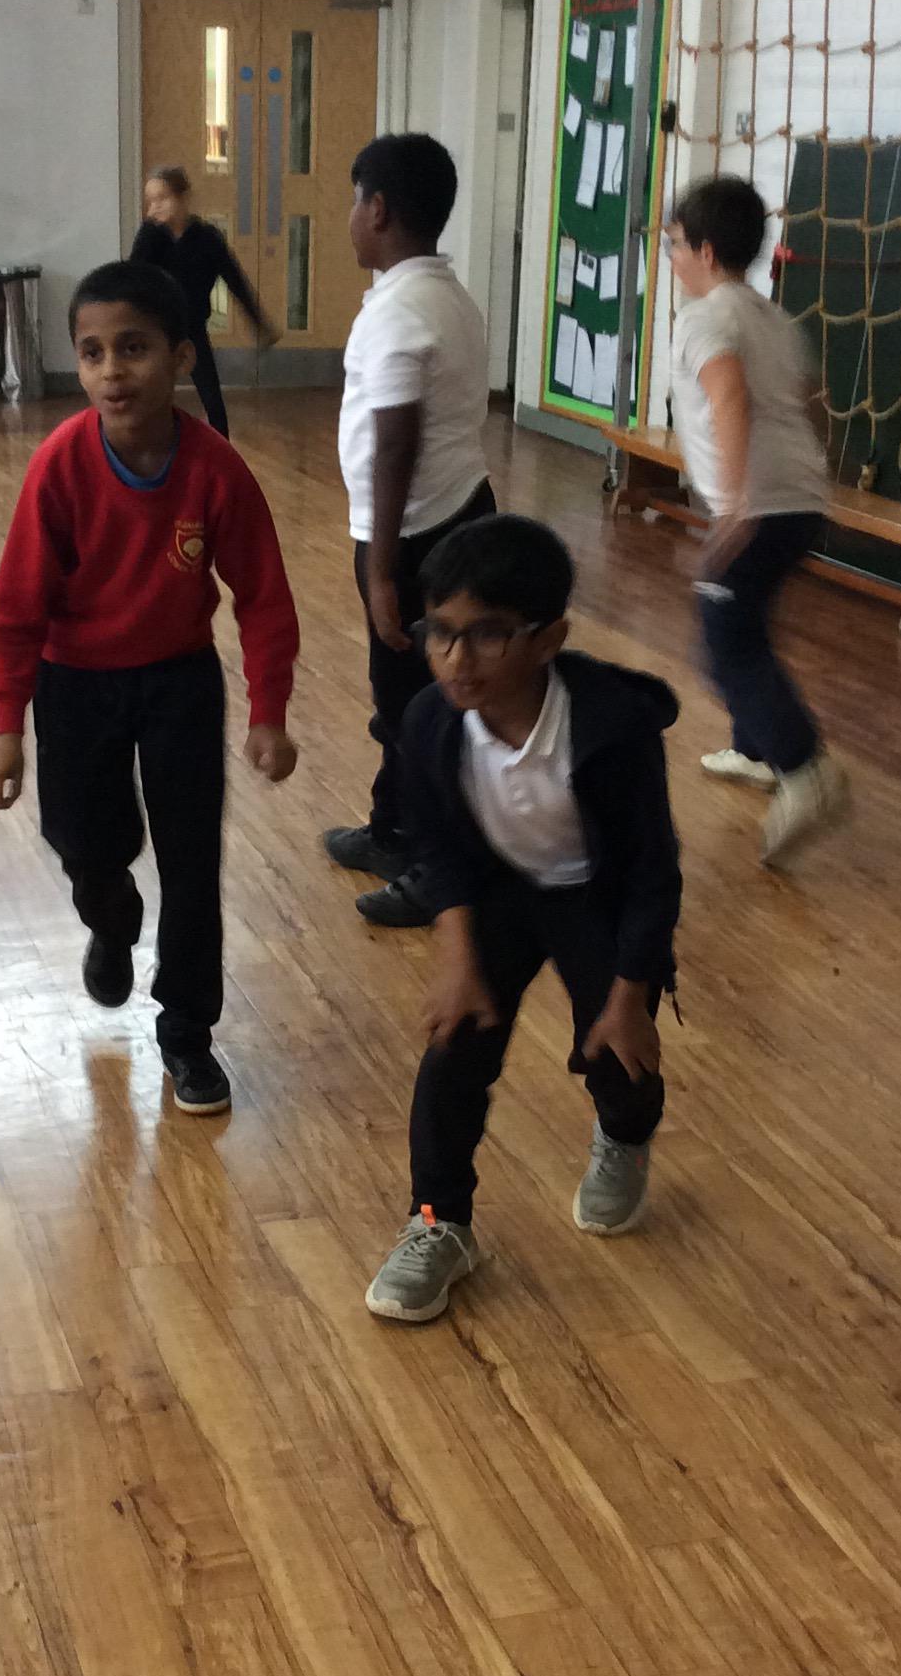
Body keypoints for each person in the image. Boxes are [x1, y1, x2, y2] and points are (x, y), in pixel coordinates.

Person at [0, 257, 299, 1117]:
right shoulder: (59, 466)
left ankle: (187, 1033)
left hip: (177, 685)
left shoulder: (215, 470)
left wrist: (269, 712)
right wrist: (7, 724)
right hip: (76, 685)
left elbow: (265, 597)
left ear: (181, 357)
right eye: (92, 353)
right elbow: (16, 605)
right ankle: (111, 918)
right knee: (87, 844)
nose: (112, 371)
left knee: (192, 866)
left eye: (134, 348)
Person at [362, 514, 681, 1324]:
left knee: (619, 1057)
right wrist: (457, 954)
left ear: (548, 640)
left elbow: (653, 870)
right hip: (498, 892)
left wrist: (630, 995)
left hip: (596, 899)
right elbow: (438, 845)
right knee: (453, 1058)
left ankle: (624, 1136)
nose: (455, 659)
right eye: (441, 632)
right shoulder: (431, 721)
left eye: (486, 635)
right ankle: (437, 1223)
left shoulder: (611, 727)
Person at [322, 132, 494, 931]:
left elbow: (396, 442)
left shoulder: (399, 312)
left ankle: (436, 872)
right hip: (457, 514)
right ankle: (391, 830)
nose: (350, 217)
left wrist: (383, 570)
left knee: (417, 711)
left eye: (354, 201)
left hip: (417, 535)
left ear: (379, 209)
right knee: (409, 700)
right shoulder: (446, 296)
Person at [665, 173, 850, 867]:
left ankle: (805, 768)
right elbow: (815, 404)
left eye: (676, 244)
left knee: (725, 644)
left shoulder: (704, 318)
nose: (672, 257)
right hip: (800, 501)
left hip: (760, 505)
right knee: (747, 622)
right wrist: (823, 480)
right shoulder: (774, 319)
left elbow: (730, 397)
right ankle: (753, 749)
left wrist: (736, 506)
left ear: (707, 251)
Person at [129, 165, 276, 436]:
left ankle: (223, 453)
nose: (153, 209)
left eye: (161, 199)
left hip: (192, 330)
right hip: (157, 331)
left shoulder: (207, 238)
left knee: (213, 400)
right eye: (151, 201)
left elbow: (235, 280)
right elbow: (133, 279)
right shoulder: (150, 235)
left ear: (182, 198)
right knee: (150, 396)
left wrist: (260, 323)